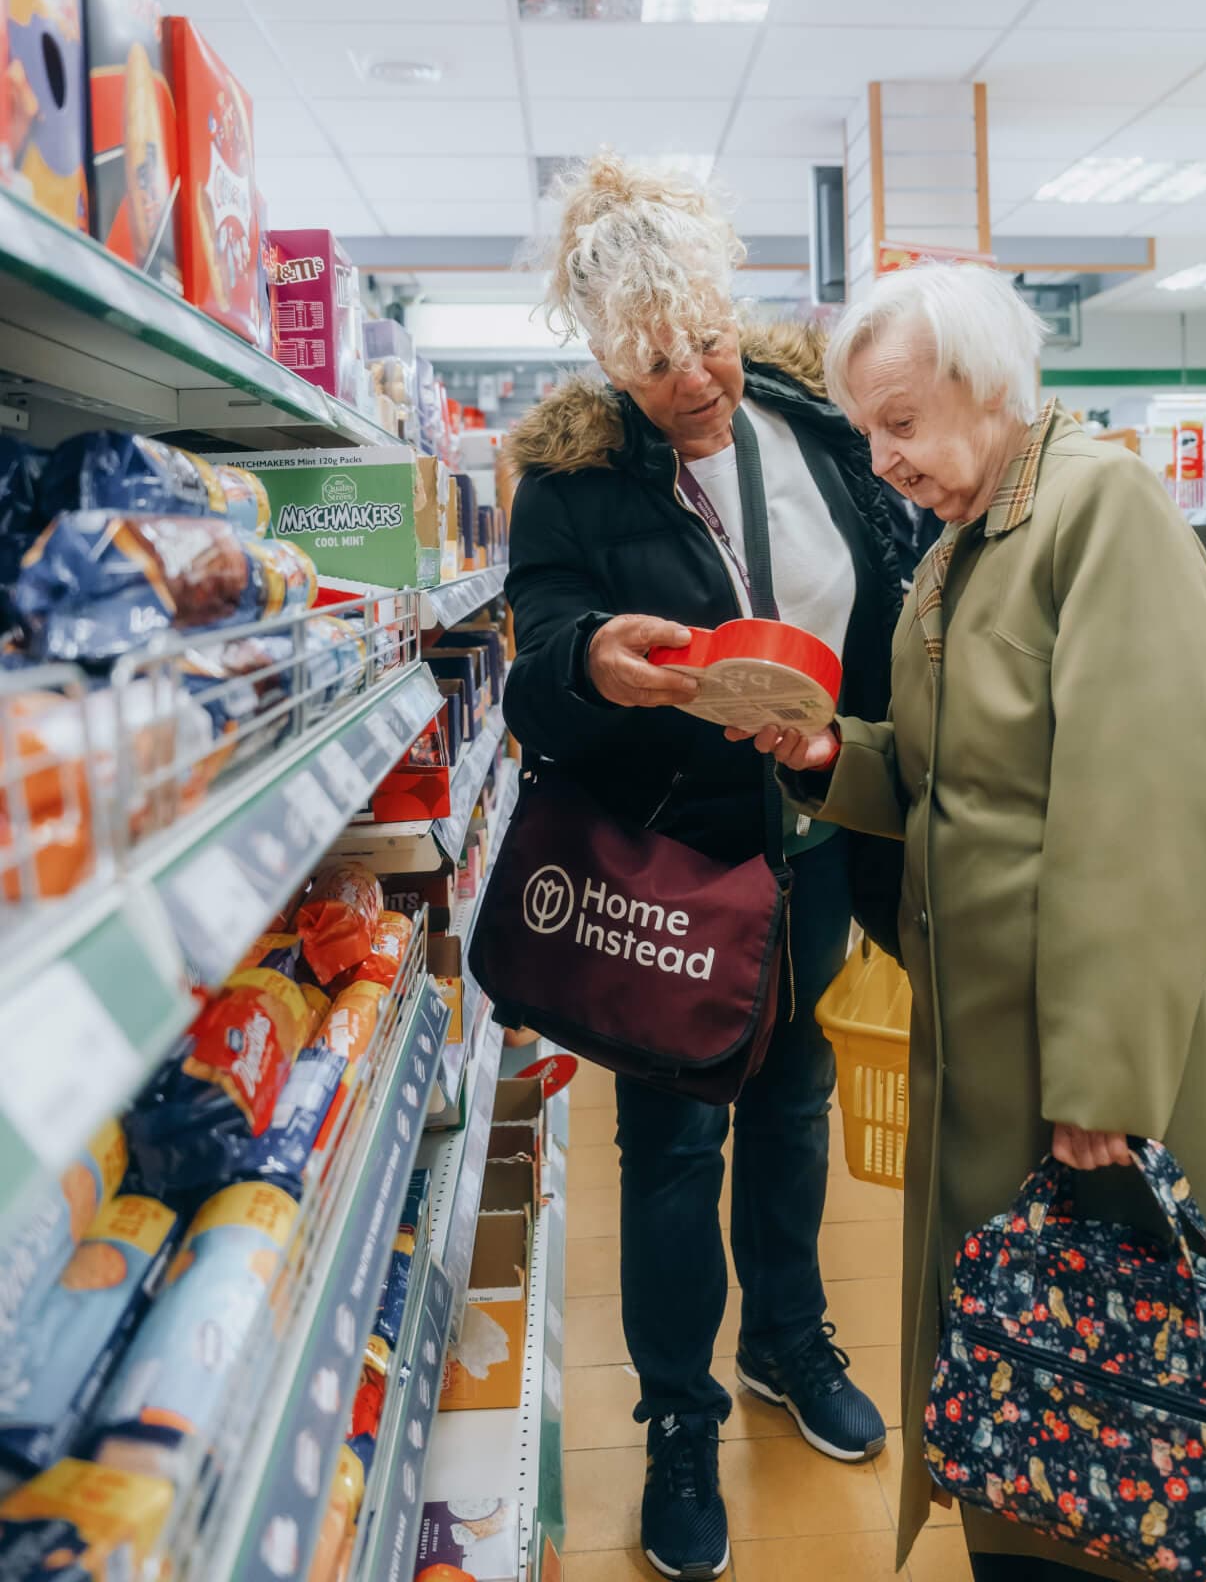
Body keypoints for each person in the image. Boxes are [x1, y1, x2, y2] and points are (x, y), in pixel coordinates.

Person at [734, 262, 1206, 1582]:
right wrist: (828, 751)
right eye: (867, 431)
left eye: (899, 421)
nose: (883, 460)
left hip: (1096, 1061)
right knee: (1040, 1400)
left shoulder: (1097, 511)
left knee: (1153, 1415)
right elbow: (965, 780)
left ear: (990, 380)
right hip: (994, 1049)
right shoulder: (964, 544)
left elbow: (1144, 813)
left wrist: (1100, 1087)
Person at [500, 154, 904, 1582]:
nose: (695, 376)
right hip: (674, 868)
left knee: (794, 1112)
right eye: (657, 358)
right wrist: (589, 665)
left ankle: (788, 1343)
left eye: (709, 339)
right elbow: (532, 657)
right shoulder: (572, 481)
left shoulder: (811, 425)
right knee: (671, 1151)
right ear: (611, 357)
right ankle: (678, 1418)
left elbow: (893, 577)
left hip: (817, 843)